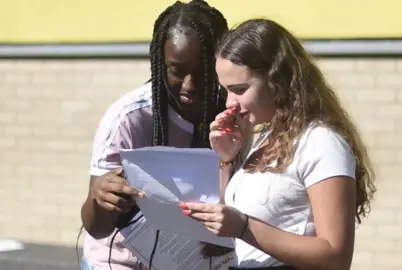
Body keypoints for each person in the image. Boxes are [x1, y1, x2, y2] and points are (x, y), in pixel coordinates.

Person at [182, 18, 376, 270]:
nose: (230, 102)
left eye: (240, 89)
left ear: (278, 80)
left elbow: (336, 256)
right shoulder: (262, 137)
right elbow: (228, 224)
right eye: (225, 90)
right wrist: (226, 159)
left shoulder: (322, 142)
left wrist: (244, 226)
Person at [80, 1, 229, 269]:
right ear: (159, 64)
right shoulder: (129, 118)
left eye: (202, 71)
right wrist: (98, 198)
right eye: (176, 71)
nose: (190, 85)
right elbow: (96, 227)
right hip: (121, 262)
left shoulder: (234, 111)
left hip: (193, 261)